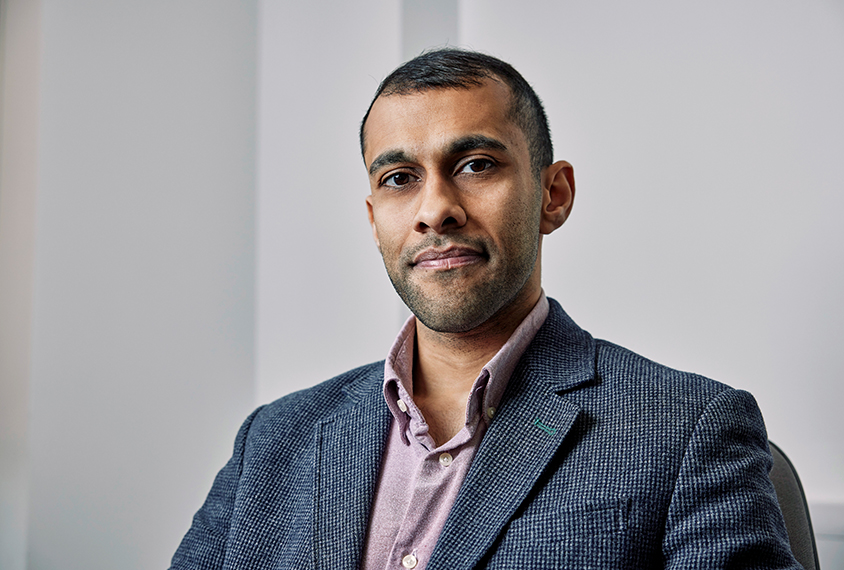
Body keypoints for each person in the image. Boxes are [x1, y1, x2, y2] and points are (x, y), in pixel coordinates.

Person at [170, 49, 800, 569]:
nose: (434, 208)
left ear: (554, 195)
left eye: (475, 165)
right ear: (374, 220)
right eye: (398, 178)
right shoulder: (273, 440)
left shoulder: (687, 429)